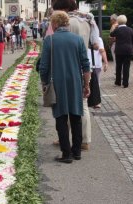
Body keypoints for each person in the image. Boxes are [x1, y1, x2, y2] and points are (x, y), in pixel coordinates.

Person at [39, 11, 91, 163]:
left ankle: (66, 153)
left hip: (58, 83)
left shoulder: (50, 40)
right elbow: (85, 65)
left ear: (55, 24)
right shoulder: (78, 40)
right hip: (75, 81)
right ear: (66, 23)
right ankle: (76, 152)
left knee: (61, 117)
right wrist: (86, 84)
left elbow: (44, 66)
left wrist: (44, 83)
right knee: (76, 115)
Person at [51, 0, 100, 151]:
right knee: (82, 105)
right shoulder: (86, 20)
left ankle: (64, 137)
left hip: (68, 66)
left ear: (64, 9)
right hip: (84, 65)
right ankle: (85, 140)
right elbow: (95, 43)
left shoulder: (67, 23)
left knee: (64, 104)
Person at [110, 15, 133, 88]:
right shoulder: (130, 30)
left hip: (119, 50)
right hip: (128, 50)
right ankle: (125, 83)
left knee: (118, 66)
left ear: (118, 21)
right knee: (126, 67)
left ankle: (118, 82)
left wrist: (115, 27)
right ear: (126, 21)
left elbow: (111, 34)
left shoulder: (117, 29)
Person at [88, 37, 108, 109]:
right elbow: (102, 50)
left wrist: (106, 62)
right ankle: (95, 102)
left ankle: (93, 101)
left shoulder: (97, 39)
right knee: (96, 83)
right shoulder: (98, 39)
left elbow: (102, 50)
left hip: (91, 64)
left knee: (88, 82)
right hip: (95, 64)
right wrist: (106, 62)